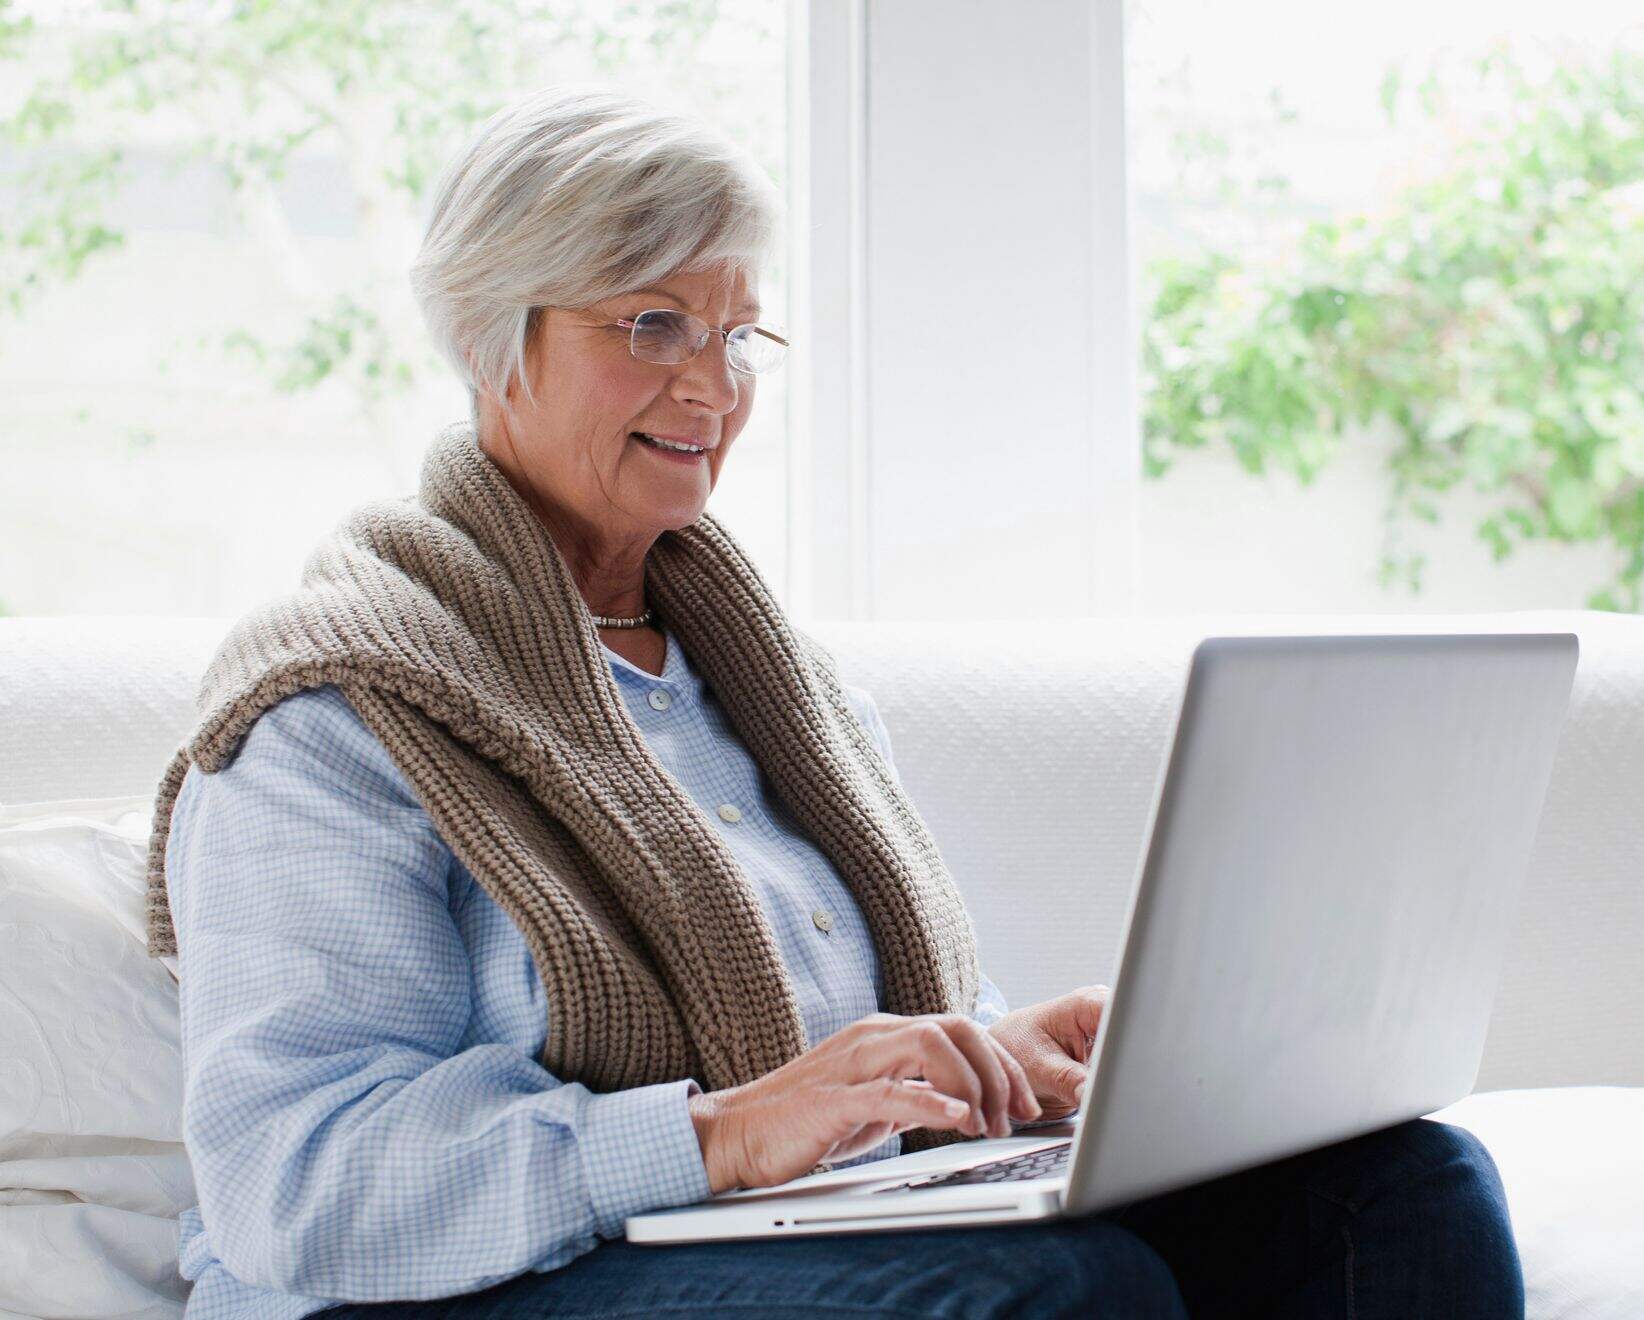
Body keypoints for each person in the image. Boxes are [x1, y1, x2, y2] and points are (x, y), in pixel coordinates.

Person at [145, 84, 1524, 1319]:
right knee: (1058, 1293)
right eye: (654, 324)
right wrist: (724, 1133)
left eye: (739, 334)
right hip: (464, 1285)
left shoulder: (768, 678)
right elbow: (299, 1181)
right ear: (496, 336)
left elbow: (845, 1051)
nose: (713, 387)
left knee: (1401, 1188)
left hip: (779, 1227)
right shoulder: (335, 709)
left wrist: (1000, 1054)